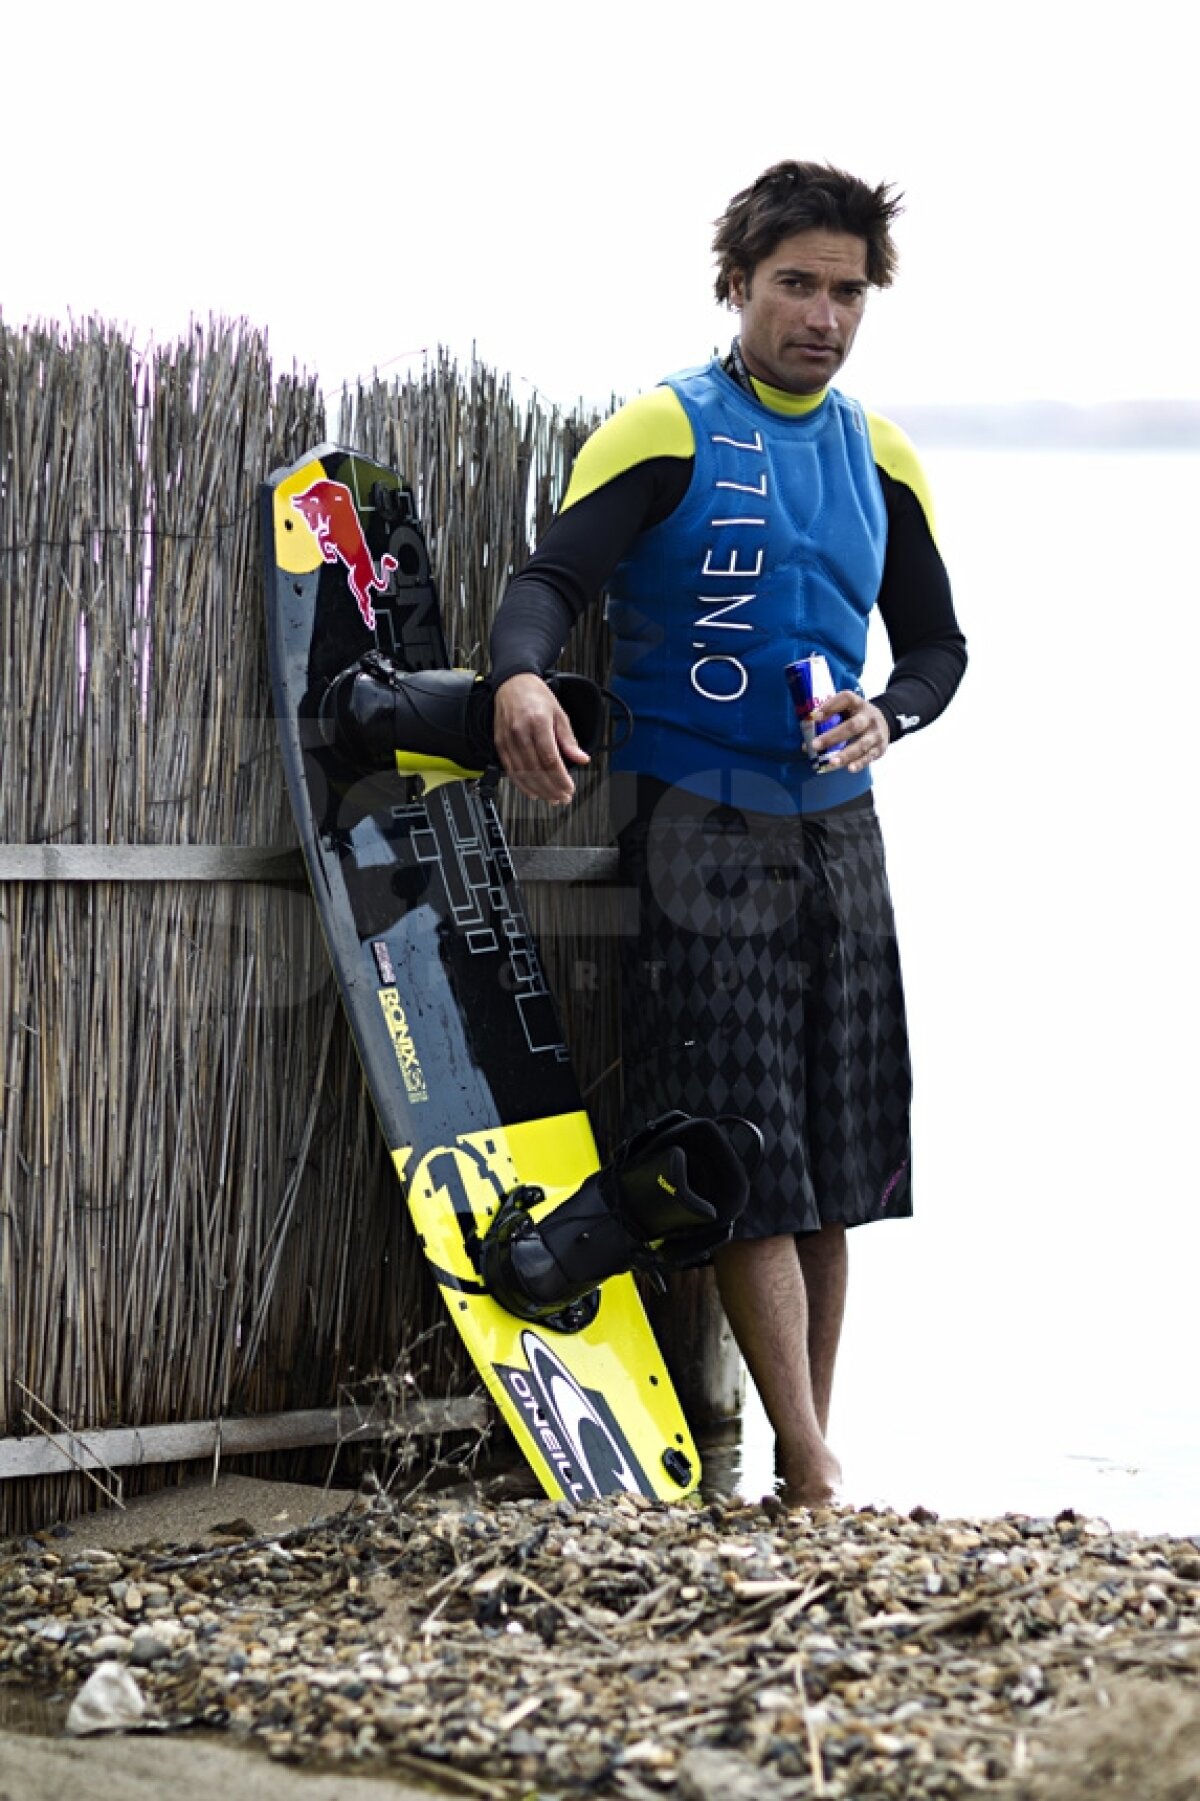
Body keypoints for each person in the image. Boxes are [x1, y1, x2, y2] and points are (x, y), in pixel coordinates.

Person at [487, 160, 967, 1505]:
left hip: (838, 829)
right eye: (798, 285)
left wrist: (893, 715)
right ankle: (811, 1467)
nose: (824, 313)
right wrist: (522, 678)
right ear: (741, 284)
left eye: (847, 291)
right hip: (695, 818)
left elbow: (935, 643)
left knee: (832, 1153)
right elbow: (547, 581)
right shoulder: (665, 430)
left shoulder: (882, 452)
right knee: (741, 1146)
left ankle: (803, 1447)